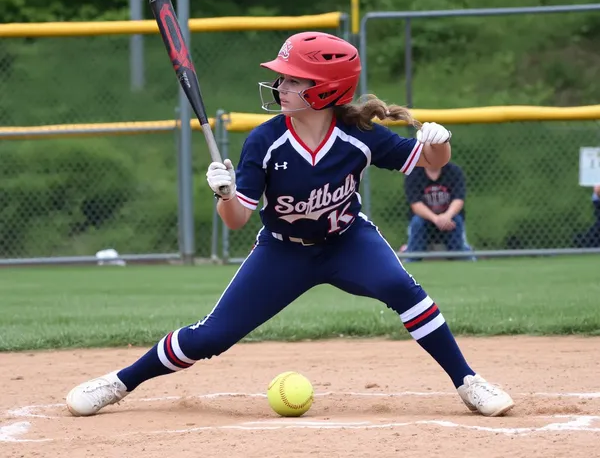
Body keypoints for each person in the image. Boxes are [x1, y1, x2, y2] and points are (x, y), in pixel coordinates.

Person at [66, 32, 514, 418]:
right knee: (213, 336)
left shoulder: (360, 135)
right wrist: (222, 196)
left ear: (324, 90)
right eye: (282, 76)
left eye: (293, 79)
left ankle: (468, 382)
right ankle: (119, 383)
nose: (280, 85)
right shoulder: (265, 139)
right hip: (283, 250)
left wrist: (441, 143)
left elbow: (428, 162)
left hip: (347, 241)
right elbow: (237, 219)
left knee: (406, 292)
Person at [402, 162, 475, 261]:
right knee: (417, 222)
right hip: (425, 221)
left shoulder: (454, 171)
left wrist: (446, 216)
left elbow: (458, 200)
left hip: (449, 222)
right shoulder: (413, 174)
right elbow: (416, 205)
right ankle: (410, 255)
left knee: (456, 220)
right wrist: (435, 219)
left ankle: (464, 253)